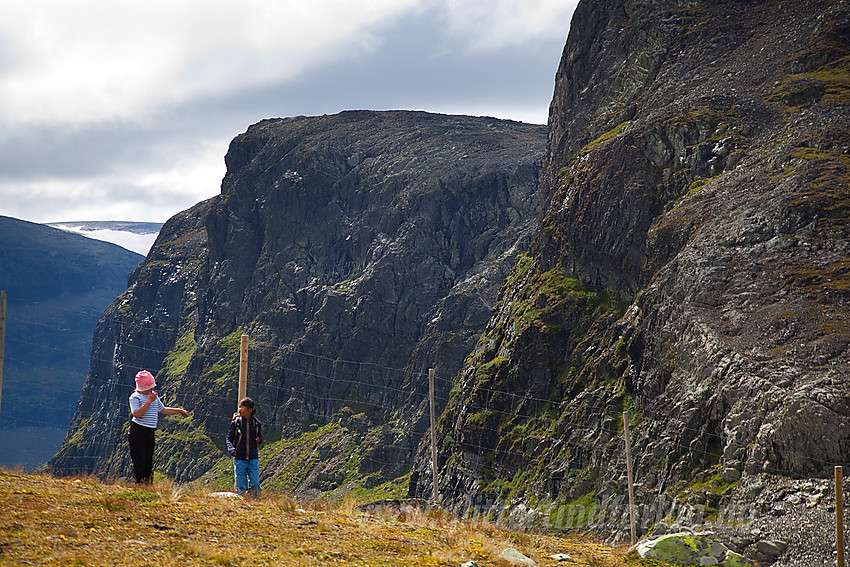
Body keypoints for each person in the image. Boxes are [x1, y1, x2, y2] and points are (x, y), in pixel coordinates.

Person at [127, 369, 190, 484]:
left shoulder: (153, 397)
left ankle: (148, 484)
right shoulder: (135, 397)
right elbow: (137, 414)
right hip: (138, 430)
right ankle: (139, 484)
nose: (152, 389)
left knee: (148, 459)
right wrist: (149, 402)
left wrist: (179, 411)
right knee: (139, 460)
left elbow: (163, 409)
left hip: (150, 432)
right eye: (150, 387)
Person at [226, 397, 263, 499]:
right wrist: (232, 450)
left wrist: (259, 439)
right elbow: (229, 438)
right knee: (241, 485)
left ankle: (256, 502)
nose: (240, 409)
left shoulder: (256, 424)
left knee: (255, 483)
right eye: (239, 407)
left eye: (242, 407)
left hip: (253, 459)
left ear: (250, 410)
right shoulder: (236, 423)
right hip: (240, 459)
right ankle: (242, 502)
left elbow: (260, 437)